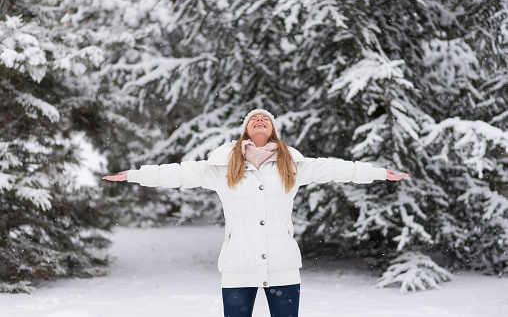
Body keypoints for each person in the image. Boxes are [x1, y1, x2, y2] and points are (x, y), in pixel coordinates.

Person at [103, 109, 408, 317]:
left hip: (283, 263)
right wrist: (134, 175)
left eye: (266, 118)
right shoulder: (221, 170)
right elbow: (177, 174)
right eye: (254, 118)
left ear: (272, 129)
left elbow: (337, 168)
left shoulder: (293, 166)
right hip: (238, 264)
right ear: (246, 130)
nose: (260, 119)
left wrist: (379, 172)